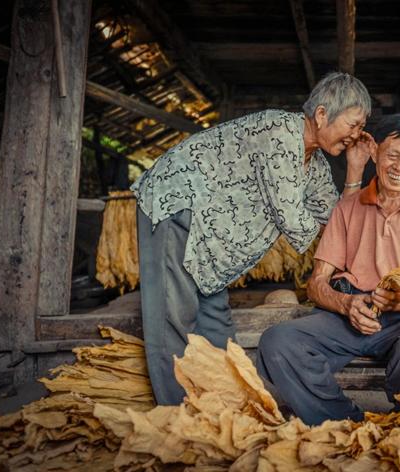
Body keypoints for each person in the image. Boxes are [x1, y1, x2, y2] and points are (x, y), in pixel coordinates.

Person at [132, 72, 376, 405]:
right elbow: (292, 217)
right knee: (174, 317)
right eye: (353, 124)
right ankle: (175, 416)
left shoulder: (315, 164)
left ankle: (228, 403)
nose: (357, 134)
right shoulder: (278, 133)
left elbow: (338, 222)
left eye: (361, 127)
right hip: (177, 205)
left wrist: (355, 169)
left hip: (213, 239)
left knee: (215, 321)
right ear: (321, 115)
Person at [256, 113, 400, 425]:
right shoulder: (347, 208)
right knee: (278, 343)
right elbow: (317, 284)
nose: (399, 167)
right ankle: (345, 423)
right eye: (392, 155)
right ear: (376, 152)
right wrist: (346, 303)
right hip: (349, 314)